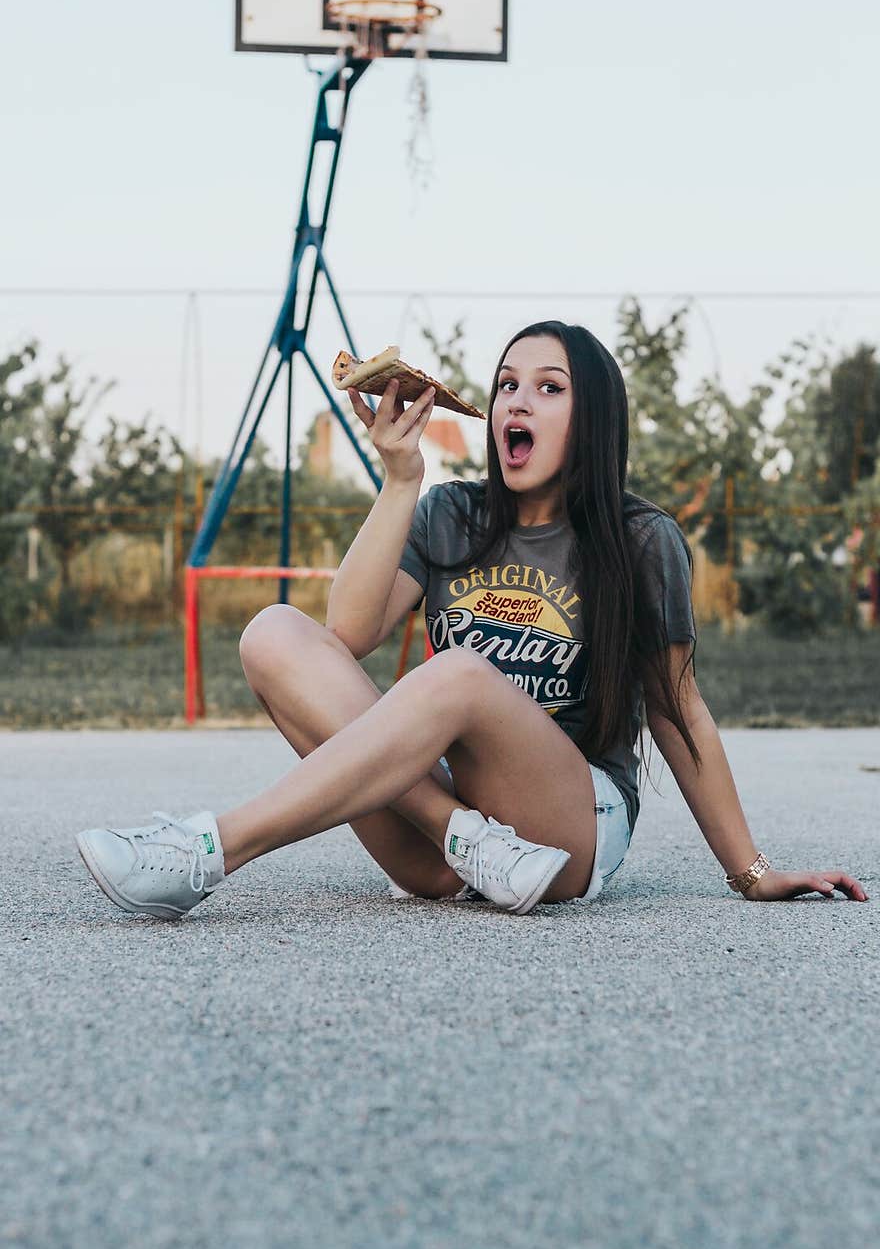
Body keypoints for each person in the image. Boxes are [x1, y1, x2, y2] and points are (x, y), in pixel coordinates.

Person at [76, 321, 868, 918]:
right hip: (454, 851)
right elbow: (344, 634)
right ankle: (458, 834)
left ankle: (208, 851)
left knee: (455, 673)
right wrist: (400, 481)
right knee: (272, 633)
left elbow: (677, 709)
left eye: (550, 387)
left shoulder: (641, 538)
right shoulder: (451, 512)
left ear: (592, 418)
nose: (518, 401)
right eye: (508, 385)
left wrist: (753, 870)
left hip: (566, 829)